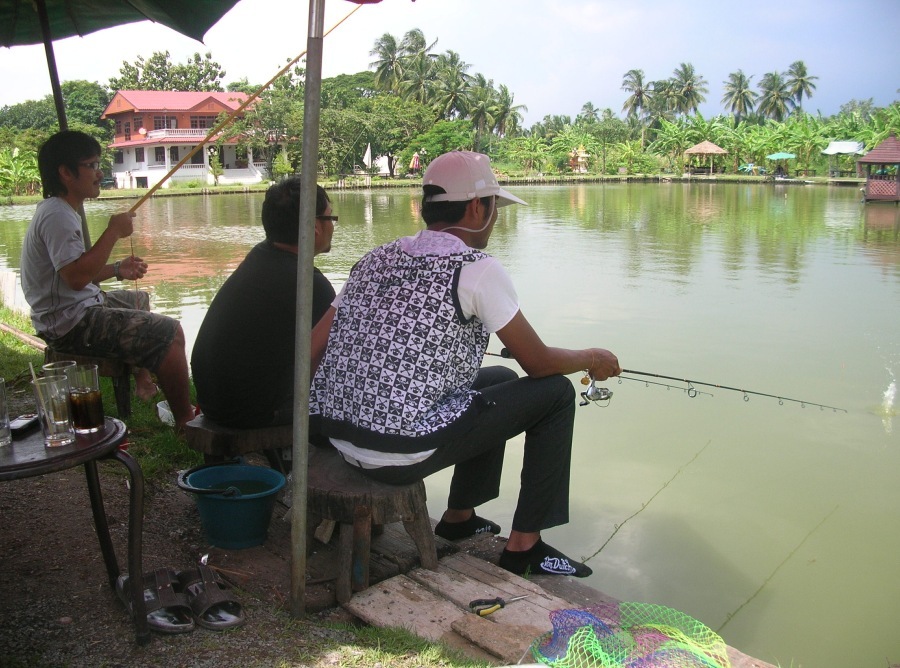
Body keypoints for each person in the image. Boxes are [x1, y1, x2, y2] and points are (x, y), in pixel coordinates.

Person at [310, 151, 621, 578]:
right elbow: (539, 363)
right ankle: (524, 547)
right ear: (478, 207)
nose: (496, 219)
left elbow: (312, 348)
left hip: (344, 440)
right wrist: (591, 357)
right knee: (555, 394)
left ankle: (459, 516)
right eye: (495, 207)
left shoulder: (374, 259)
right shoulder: (476, 269)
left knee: (499, 378)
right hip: (397, 454)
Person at [20, 130, 194, 429]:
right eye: (91, 165)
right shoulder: (57, 216)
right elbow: (76, 278)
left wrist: (116, 269)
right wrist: (113, 231)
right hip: (68, 322)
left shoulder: (61, 210)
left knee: (139, 299)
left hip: (76, 308)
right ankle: (186, 423)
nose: (99, 172)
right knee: (170, 332)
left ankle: (143, 378)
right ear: (65, 173)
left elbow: (71, 271)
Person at [192, 177, 336, 428]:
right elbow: (332, 360)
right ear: (314, 226)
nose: (333, 226)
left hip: (213, 399)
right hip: (249, 413)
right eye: (330, 218)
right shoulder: (310, 285)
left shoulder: (260, 255)